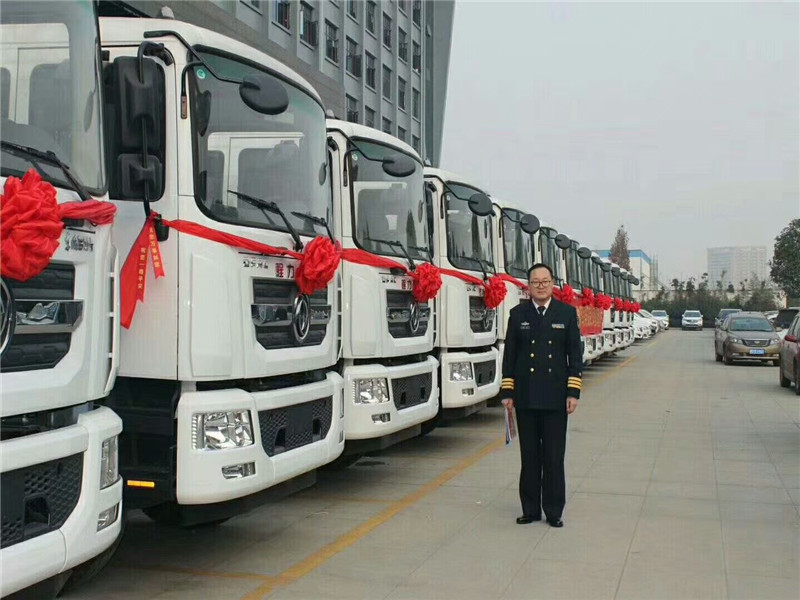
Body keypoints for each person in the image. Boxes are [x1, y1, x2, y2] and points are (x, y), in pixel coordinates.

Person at [501, 263, 582, 527]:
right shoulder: (518, 314)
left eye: (545, 281)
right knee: (530, 456)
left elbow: (575, 356)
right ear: (528, 286)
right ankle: (531, 509)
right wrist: (507, 391)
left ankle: (554, 511)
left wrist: (573, 392)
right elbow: (510, 356)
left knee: (554, 457)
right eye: (535, 282)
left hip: (556, 398)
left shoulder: (566, 314)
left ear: (552, 284)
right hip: (526, 397)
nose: (540, 286)